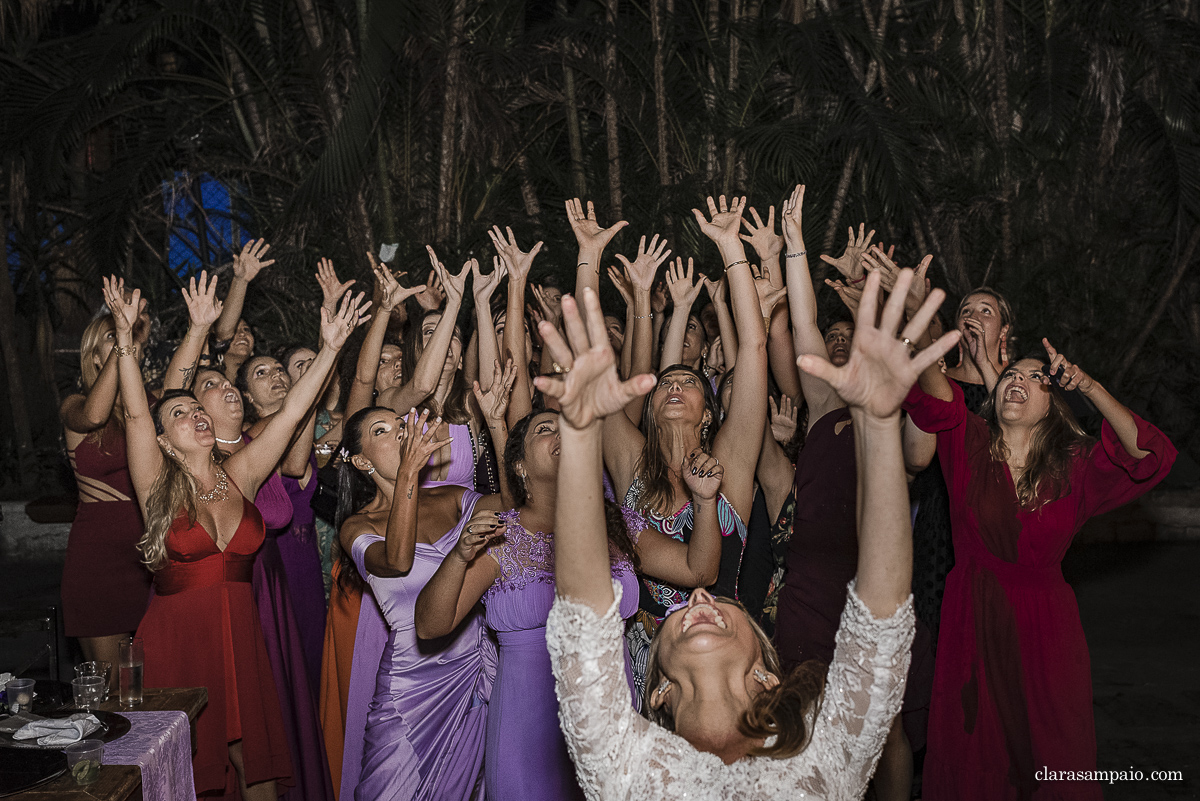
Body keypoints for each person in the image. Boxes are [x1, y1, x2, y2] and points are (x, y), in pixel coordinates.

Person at [539, 278, 957, 797]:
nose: (697, 601)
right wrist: (580, 430)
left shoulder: (820, 754)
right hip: (638, 640)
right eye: (665, 384)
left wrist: (877, 425)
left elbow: (881, 612)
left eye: (688, 383)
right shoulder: (626, 759)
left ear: (768, 673)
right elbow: (583, 614)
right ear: (657, 693)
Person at [107, 273, 369, 800]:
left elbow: (293, 412)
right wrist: (126, 342)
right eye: (180, 414)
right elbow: (136, 411)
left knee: (257, 769)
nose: (196, 416)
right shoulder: (158, 483)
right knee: (185, 769)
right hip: (177, 641)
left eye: (198, 410)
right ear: (163, 440)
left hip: (243, 636)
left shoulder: (242, 473)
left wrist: (332, 346)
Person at [414, 362, 724, 801]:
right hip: (528, 731)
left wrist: (705, 501)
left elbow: (700, 571)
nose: (562, 436)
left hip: (611, 723)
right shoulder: (500, 534)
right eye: (546, 429)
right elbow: (429, 626)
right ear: (519, 465)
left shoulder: (619, 526)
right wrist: (459, 557)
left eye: (570, 430)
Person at [906, 340, 1176, 800]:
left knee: (1054, 754)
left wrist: (1089, 386)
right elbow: (937, 394)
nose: (1019, 379)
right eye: (1012, 373)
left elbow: (1149, 456)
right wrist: (911, 325)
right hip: (973, 622)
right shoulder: (967, 440)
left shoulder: (1077, 464)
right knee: (976, 756)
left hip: (1046, 633)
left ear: (1053, 405)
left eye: (1037, 378)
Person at [774, 188, 937, 800]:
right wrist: (794, 248)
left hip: (875, 578)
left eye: (854, 339)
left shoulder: (894, 414)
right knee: (803, 712)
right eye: (835, 342)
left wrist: (911, 333)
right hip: (811, 580)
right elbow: (804, 323)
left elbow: (923, 452)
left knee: (884, 722)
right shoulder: (819, 404)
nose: (839, 347)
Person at [600, 196, 773, 697]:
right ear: (650, 404)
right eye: (666, 382)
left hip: (723, 659)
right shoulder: (631, 463)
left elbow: (755, 348)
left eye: (689, 382)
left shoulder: (730, 463)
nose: (676, 386)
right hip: (642, 665)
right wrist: (595, 267)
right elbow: (594, 363)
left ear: (710, 410)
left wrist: (729, 250)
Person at [59, 273, 219, 679]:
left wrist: (198, 328)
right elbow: (96, 416)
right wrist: (123, 336)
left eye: (124, 339)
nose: (123, 343)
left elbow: (177, 386)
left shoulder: (146, 407)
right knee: (112, 690)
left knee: (161, 681)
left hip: (151, 547)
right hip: (98, 559)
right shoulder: (73, 407)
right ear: (95, 357)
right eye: (109, 341)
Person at [335, 406, 499, 801]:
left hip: (476, 667)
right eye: (382, 430)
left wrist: (496, 423)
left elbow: (515, 507)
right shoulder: (357, 526)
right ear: (360, 460)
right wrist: (409, 471)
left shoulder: (453, 497)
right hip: (411, 686)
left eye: (402, 425)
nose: (400, 434)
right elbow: (398, 560)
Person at [195, 366, 335, 801]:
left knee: (283, 703)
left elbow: (296, 457)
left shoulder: (258, 447)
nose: (227, 388)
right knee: (242, 720)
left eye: (227, 381)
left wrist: (324, 360)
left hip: (273, 589)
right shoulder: (197, 463)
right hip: (233, 591)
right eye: (211, 386)